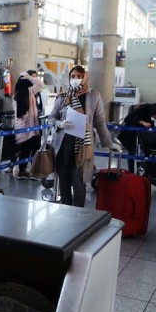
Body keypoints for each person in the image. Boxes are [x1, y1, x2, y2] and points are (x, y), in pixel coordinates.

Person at [49, 66, 118, 207]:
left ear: (85, 77)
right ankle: (65, 210)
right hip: (63, 145)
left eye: (79, 76)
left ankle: (79, 214)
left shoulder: (93, 96)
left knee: (79, 182)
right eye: (72, 76)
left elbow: (99, 122)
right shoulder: (63, 96)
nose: (75, 79)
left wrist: (108, 143)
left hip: (83, 146)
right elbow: (51, 118)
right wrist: (60, 124)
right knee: (64, 181)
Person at [117, 103, 156, 172]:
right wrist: (142, 122)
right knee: (133, 150)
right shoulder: (143, 109)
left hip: (144, 133)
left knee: (143, 151)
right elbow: (128, 119)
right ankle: (131, 171)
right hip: (132, 132)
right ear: (154, 112)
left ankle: (141, 170)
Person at [14, 71, 44, 180]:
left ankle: (25, 170)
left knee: (27, 149)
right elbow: (41, 84)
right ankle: (32, 171)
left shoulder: (18, 93)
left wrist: (29, 78)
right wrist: (31, 78)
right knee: (31, 148)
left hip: (26, 126)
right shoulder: (28, 91)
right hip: (28, 126)